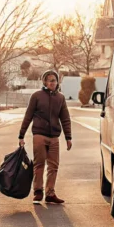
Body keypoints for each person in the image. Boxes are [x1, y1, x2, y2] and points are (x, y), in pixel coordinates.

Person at [18, 70, 72, 204]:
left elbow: (65, 118)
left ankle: (50, 193)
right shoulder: (36, 96)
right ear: (44, 82)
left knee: (53, 166)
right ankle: (37, 191)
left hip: (54, 137)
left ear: (57, 82)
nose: (51, 83)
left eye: (54, 80)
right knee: (39, 164)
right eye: (49, 80)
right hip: (39, 135)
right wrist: (21, 135)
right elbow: (28, 116)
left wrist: (68, 137)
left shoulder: (60, 98)